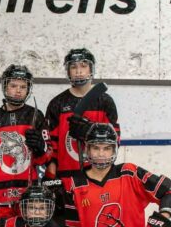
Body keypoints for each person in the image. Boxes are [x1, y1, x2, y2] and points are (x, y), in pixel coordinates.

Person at [0, 64, 50, 221]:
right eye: (13, 86)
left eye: (23, 87)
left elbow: (46, 157)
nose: (18, 90)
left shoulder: (35, 115)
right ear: (5, 86)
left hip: (28, 194)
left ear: (28, 89)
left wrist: (40, 147)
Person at [45, 48, 119, 189]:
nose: (79, 71)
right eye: (73, 67)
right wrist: (51, 175)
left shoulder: (104, 101)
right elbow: (51, 143)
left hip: (98, 174)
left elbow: (115, 139)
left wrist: (91, 132)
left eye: (83, 66)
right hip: (66, 175)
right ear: (68, 71)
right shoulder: (57, 103)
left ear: (91, 69)